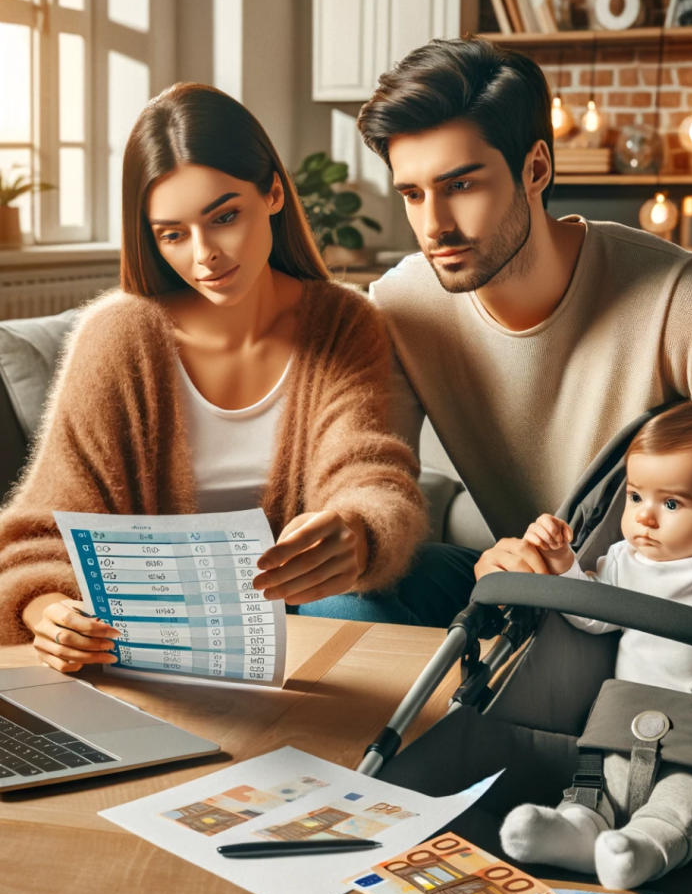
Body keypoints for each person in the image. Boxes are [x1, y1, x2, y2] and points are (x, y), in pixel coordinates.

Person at [357, 36, 692, 894]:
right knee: (356, 600)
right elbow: (384, 484)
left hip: (684, 605)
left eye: (462, 185)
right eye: (410, 193)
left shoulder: (667, 292)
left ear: (535, 168)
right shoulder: (400, 302)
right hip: (543, 584)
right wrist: (468, 559)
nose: (431, 222)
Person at [0, 83, 427, 667]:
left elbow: (369, 470)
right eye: (172, 234)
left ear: (274, 193)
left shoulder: (342, 321)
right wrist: (45, 609)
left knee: (357, 608)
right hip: (147, 647)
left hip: (301, 624)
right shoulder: (118, 338)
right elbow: (39, 529)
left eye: (224, 217)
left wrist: (356, 530)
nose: (205, 255)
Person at [499, 403, 692, 889]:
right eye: (634, 497)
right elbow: (589, 615)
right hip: (620, 724)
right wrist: (563, 561)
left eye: (671, 504)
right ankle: (575, 834)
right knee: (596, 789)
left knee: (684, 800)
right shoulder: (625, 559)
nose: (645, 518)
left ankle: (643, 849)